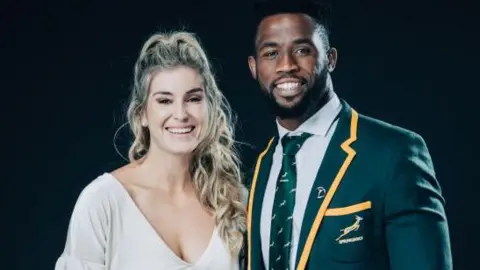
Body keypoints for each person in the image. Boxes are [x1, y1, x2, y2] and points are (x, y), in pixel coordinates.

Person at [244, 1, 453, 269]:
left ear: (330, 59)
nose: (286, 65)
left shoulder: (393, 154)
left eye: (302, 50)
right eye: (271, 53)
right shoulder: (257, 170)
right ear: (254, 67)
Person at [55, 31, 247, 270]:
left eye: (193, 99)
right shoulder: (103, 202)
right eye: (165, 100)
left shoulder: (232, 201)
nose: (181, 114)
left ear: (209, 107)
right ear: (142, 114)